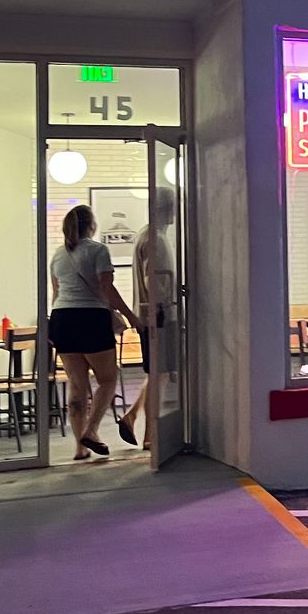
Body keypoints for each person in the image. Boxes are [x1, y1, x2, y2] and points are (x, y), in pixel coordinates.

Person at [49, 205, 140, 461]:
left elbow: (56, 293)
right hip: (90, 318)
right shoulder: (98, 250)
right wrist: (131, 316)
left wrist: (53, 326)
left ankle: (80, 448)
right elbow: (107, 288)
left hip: (62, 318)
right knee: (107, 380)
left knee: (77, 385)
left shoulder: (58, 254)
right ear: (92, 225)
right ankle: (91, 431)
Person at [117, 188, 177, 450]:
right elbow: (154, 280)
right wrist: (160, 313)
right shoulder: (155, 239)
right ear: (167, 209)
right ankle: (150, 434)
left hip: (152, 315)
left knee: (157, 374)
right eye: (173, 205)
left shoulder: (148, 234)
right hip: (158, 317)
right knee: (158, 375)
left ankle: (132, 417)